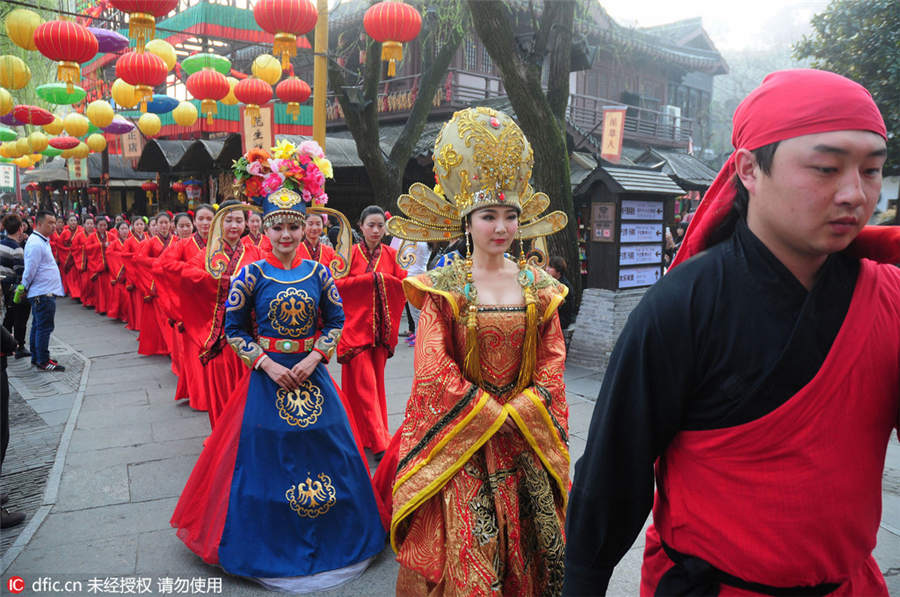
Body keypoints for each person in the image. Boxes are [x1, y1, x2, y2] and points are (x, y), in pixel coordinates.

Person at [563, 69, 900, 596]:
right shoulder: (682, 307)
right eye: (827, 168)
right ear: (749, 169)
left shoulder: (889, 297)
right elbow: (612, 474)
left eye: (873, 171)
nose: (857, 195)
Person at [382, 107, 571, 595]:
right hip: (462, 441)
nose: (502, 227)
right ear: (468, 221)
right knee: (471, 557)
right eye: (489, 215)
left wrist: (523, 411)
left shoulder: (539, 286)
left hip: (523, 436)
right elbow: (432, 368)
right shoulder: (443, 288)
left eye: (510, 215)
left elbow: (551, 362)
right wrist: (488, 413)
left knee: (531, 555)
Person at [171, 188, 385, 592]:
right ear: (264, 230)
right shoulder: (250, 275)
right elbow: (232, 328)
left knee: (330, 453)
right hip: (266, 378)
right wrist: (265, 363)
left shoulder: (320, 274)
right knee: (262, 460)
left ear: (306, 227)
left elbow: (336, 321)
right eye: (278, 227)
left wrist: (313, 358)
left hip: (312, 375)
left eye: (293, 226)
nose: (286, 235)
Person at [334, 205, 407, 457]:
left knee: (373, 385)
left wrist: (383, 282)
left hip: (381, 332)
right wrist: (372, 280)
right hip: (354, 330)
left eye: (380, 226)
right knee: (364, 384)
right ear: (360, 226)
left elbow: (404, 288)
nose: (376, 230)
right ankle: (379, 441)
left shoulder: (392, 255)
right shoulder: (348, 253)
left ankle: (361, 436)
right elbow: (336, 287)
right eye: (370, 225)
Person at [22, 210, 65, 372]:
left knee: (38, 326)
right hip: (42, 293)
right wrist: (24, 287)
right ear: (39, 224)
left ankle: (37, 356)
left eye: (55, 222)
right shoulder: (35, 243)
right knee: (44, 327)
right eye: (50, 223)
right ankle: (43, 360)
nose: (53, 226)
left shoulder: (41, 240)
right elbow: (30, 270)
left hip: (44, 291)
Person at [0, 214, 31, 358]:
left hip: (4, 285)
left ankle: (5, 343)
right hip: (14, 287)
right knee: (20, 317)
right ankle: (19, 345)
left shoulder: (2, 243)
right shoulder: (16, 249)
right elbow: (20, 272)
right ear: (20, 228)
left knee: (9, 315)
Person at [545, 255, 573, 329]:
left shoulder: (564, 286)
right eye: (547, 266)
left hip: (561, 319)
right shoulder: (551, 281)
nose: (547, 269)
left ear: (559, 271)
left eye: (550, 267)